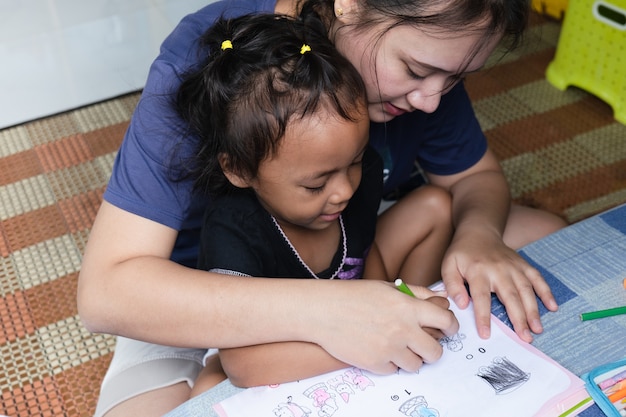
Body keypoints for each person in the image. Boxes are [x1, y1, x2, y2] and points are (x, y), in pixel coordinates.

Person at [77, 0, 567, 414]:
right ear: (350, 5)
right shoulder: (216, 65)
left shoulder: (432, 59)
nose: (432, 100)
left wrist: (478, 234)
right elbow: (107, 294)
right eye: (416, 70)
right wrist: (333, 313)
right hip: (196, 295)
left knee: (545, 240)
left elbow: (474, 179)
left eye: (456, 77)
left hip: (344, 246)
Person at [174, 12, 455, 394]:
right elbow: (242, 364)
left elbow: (363, 245)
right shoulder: (233, 226)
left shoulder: (357, 176)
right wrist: (376, 340)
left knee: (437, 204)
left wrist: (390, 306)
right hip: (271, 347)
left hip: (354, 304)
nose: (343, 191)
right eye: (315, 184)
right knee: (210, 385)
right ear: (240, 170)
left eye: (353, 162)